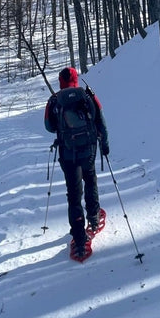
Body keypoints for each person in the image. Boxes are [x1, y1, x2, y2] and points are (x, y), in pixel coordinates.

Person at [44, 67, 110, 257]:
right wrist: (104, 145)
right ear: (76, 79)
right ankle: (94, 217)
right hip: (88, 150)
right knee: (90, 181)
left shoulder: (55, 100)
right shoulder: (87, 95)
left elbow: (49, 126)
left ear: (60, 81)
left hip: (67, 154)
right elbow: (100, 120)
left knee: (73, 193)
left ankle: (79, 237)